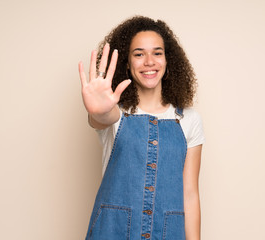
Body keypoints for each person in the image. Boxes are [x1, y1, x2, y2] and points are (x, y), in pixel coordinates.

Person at [78, 16, 205, 240]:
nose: (149, 61)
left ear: (168, 60)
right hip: (111, 231)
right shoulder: (116, 114)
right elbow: (102, 118)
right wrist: (98, 110)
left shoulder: (189, 120)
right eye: (139, 54)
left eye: (157, 53)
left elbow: (190, 194)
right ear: (127, 63)